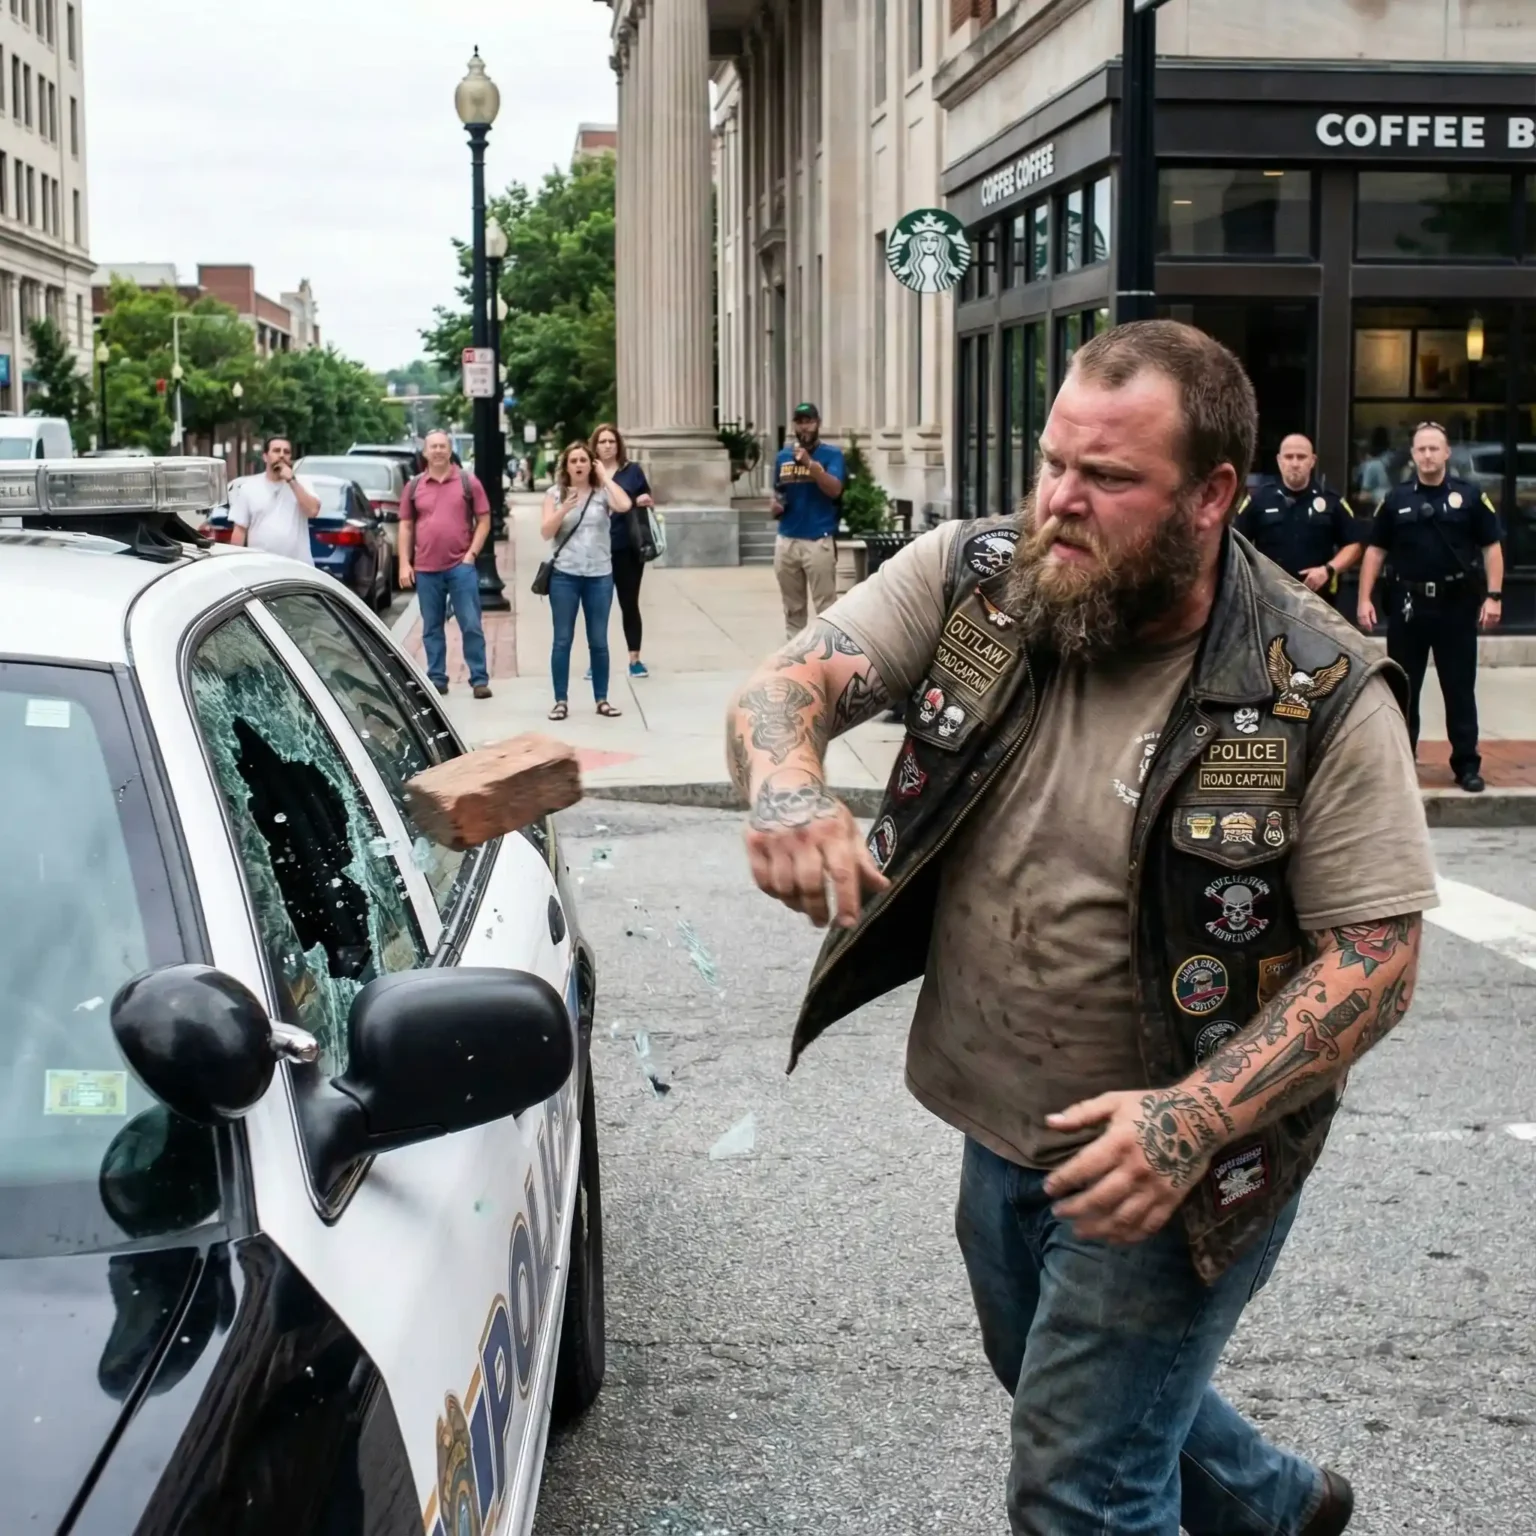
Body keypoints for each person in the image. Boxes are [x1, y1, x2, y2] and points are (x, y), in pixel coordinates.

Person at [726, 320, 1437, 1536]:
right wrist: (791, 789)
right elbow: (784, 686)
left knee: (1080, 1488)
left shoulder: (1316, 684)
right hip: (998, 1120)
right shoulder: (979, 578)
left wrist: (1190, 1121)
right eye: (1054, 461)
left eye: (1107, 478)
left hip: (1173, 1162)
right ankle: (1274, 1506)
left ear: (1212, 495)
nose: (1060, 500)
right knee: (1053, 1381)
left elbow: (1379, 958)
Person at [1357, 420, 1504, 794]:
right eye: (1421, 449)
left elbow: (1492, 548)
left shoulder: (1469, 497)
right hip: (1408, 608)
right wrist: (1364, 598)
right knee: (1404, 690)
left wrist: (1494, 595)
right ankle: (1404, 764)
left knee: (1459, 689)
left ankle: (1466, 765)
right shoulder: (1396, 499)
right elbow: (1375, 551)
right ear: (1413, 454)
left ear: (1447, 452)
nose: (1427, 455)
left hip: (1456, 607)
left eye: (1434, 448)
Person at [398, 428, 494, 701]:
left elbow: (484, 520)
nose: (438, 451)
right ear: (425, 452)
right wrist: (405, 563)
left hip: (460, 566)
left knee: (471, 624)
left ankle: (479, 679)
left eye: (443, 446)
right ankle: (437, 678)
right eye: (433, 447)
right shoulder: (414, 486)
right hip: (427, 568)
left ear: (450, 450)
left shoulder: (468, 481)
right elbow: (405, 525)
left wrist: (471, 555)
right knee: (431, 627)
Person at [541, 439, 632, 722]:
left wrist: (604, 477)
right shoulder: (554, 494)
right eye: (573, 461)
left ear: (590, 464)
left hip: (599, 575)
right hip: (564, 576)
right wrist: (564, 509)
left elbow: (625, 505)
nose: (578, 465)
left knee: (599, 641)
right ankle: (560, 701)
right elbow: (546, 532)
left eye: (583, 460)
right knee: (562, 640)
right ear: (566, 466)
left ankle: (602, 699)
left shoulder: (602, 492)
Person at [1235, 433, 1364, 599]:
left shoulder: (1331, 500)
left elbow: (1355, 545)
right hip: (1270, 599)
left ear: (1312, 461)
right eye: (1289, 457)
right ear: (1279, 460)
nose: (1295, 463)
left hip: (1317, 599)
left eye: (1301, 457)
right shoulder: (1259, 499)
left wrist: (1328, 570)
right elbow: (1236, 543)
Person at [771, 402, 845, 640]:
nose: (805, 427)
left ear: (818, 424)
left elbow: (835, 489)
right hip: (787, 540)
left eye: (809, 421)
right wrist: (775, 506)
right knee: (793, 608)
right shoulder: (783, 457)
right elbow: (779, 492)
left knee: (826, 608)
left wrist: (810, 466)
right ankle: (797, 660)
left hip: (818, 540)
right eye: (800, 422)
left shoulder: (831, 455)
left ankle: (829, 659)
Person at [591, 422, 655, 679]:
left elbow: (648, 498)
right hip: (596, 548)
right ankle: (597, 659)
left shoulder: (632, 472)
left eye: (612, 441)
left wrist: (644, 500)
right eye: (603, 442)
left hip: (627, 546)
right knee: (598, 606)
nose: (608, 446)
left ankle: (634, 659)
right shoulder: (589, 473)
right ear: (595, 445)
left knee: (629, 603)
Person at [229, 435, 321, 562]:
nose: (282, 455)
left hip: (298, 566)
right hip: (261, 565)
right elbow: (239, 530)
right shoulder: (249, 488)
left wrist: (291, 480)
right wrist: (234, 562)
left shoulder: (302, 483)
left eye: (286, 452)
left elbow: (312, 511)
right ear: (265, 456)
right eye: (277, 451)